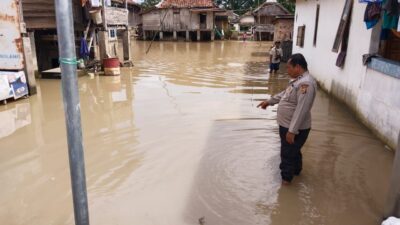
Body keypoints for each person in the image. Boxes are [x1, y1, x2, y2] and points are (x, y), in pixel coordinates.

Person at [257, 53, 317, 185]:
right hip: (288, 125)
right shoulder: (298, 81)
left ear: (298, 67)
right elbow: (285, 94)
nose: (287, 70)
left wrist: (292, 131)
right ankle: (296, 171)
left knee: (287, 154)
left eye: (289, 67)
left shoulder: (305, 84)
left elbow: (301, 110)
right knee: (293, 151)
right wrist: (269, 101)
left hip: (293, 128)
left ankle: (285, 185)